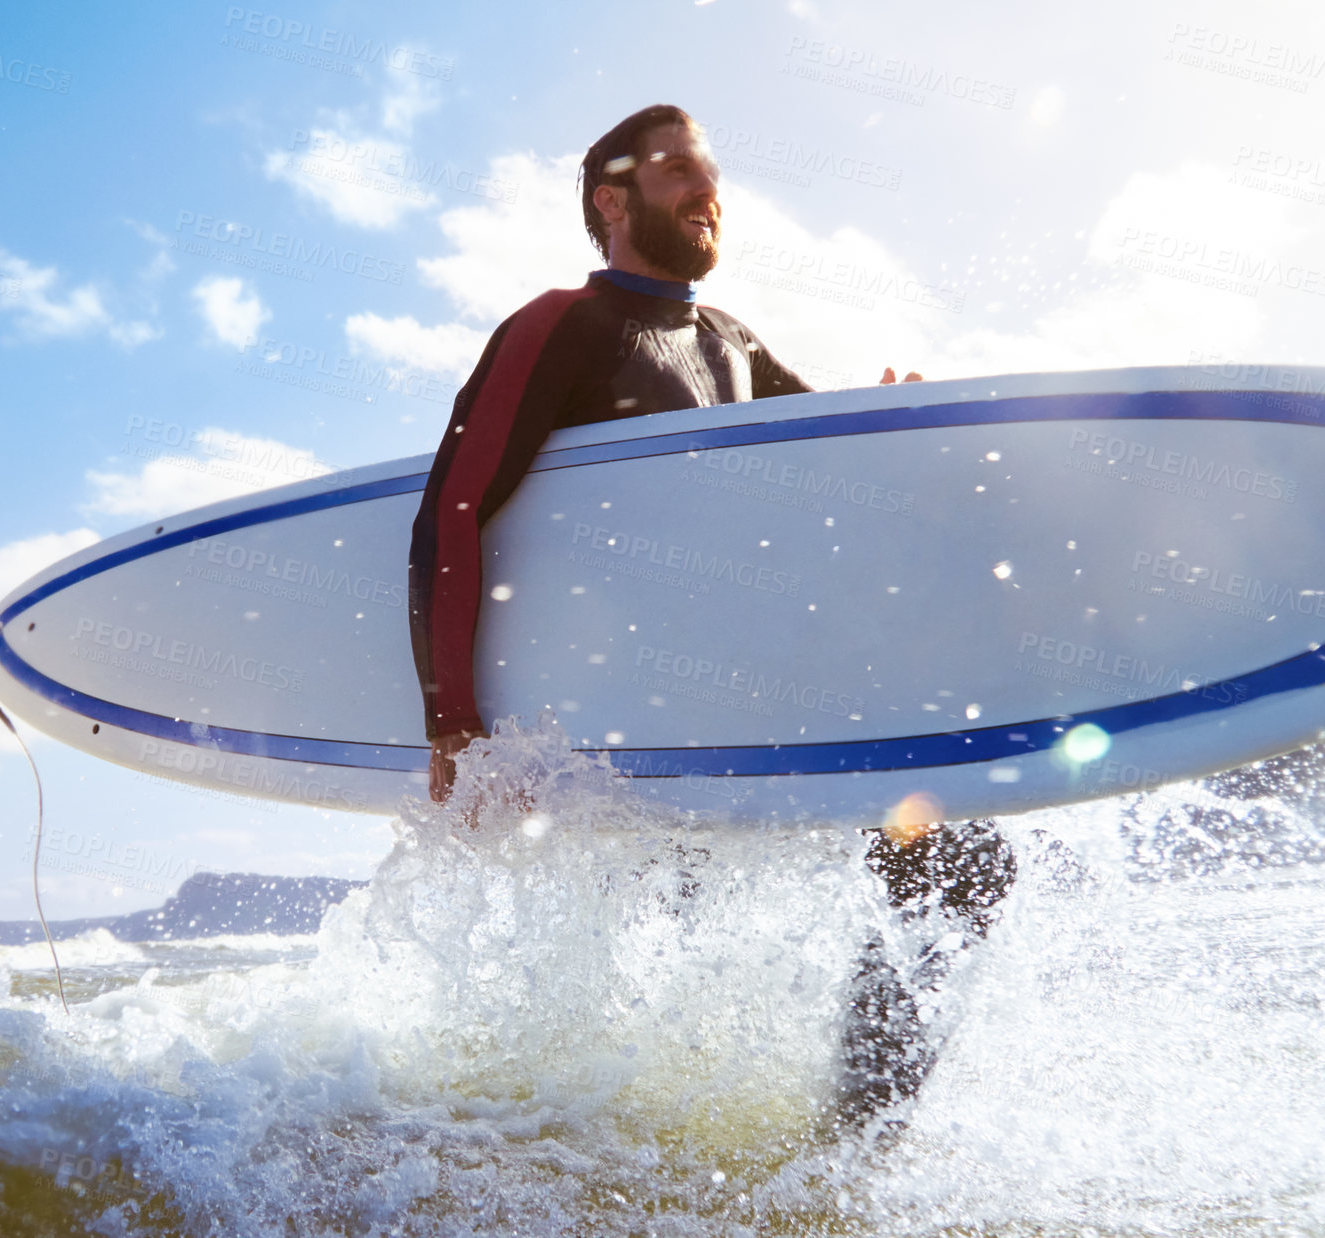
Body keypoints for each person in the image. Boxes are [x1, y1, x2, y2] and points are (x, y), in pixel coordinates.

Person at [407, 103, 1013, 1123]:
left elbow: (823, 473)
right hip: (630, 719)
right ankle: (569, 1136)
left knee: (962, 856)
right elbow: (454, 510)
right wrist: (453, 715)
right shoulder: (560, 323)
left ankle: (845, 1154)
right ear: (612, 199)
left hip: (754, 703)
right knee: (663, 933)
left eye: (713, 173)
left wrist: (890, 429)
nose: (708, 190)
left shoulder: (732, 342)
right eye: (679, 171)